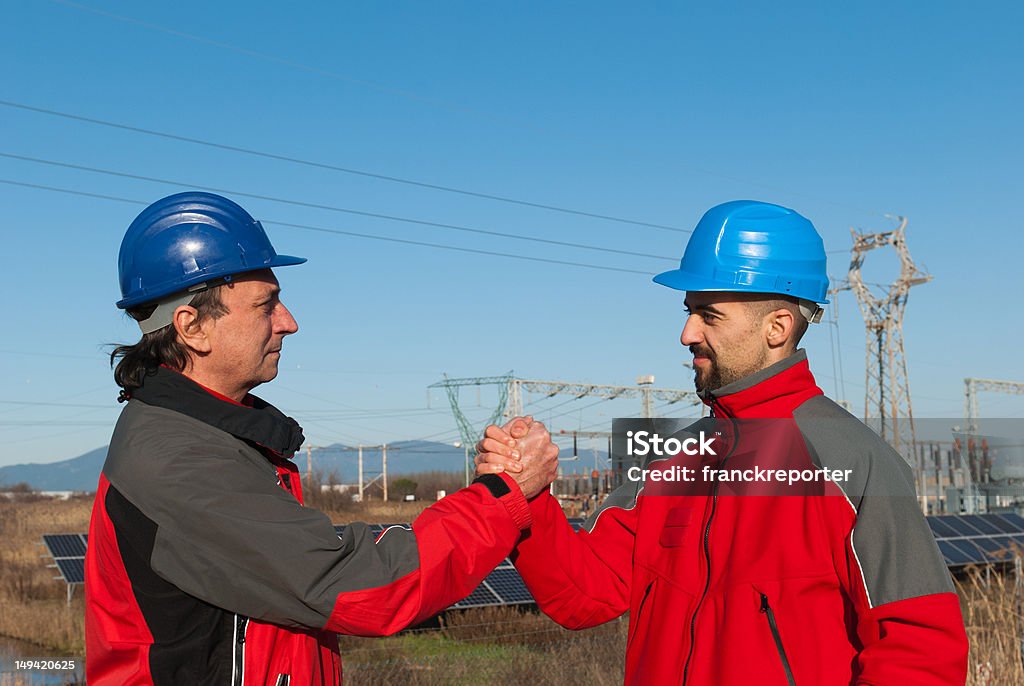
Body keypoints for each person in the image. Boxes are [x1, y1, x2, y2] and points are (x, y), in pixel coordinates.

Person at [477, 200, 968, 685]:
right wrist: (529, 496)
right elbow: (585, 594)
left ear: (777, 327)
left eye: (709, 315)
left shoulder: (854, 463)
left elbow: (921, 651)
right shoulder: (668, 463)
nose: (686, 333)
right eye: (689, 312)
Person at [84, 191, 558, 685]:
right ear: (193, 327)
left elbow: (312, 562)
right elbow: (356, 584)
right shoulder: (180, 460)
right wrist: (500, 497)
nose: (289, 322)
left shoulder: (216, 438)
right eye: (266, 304)